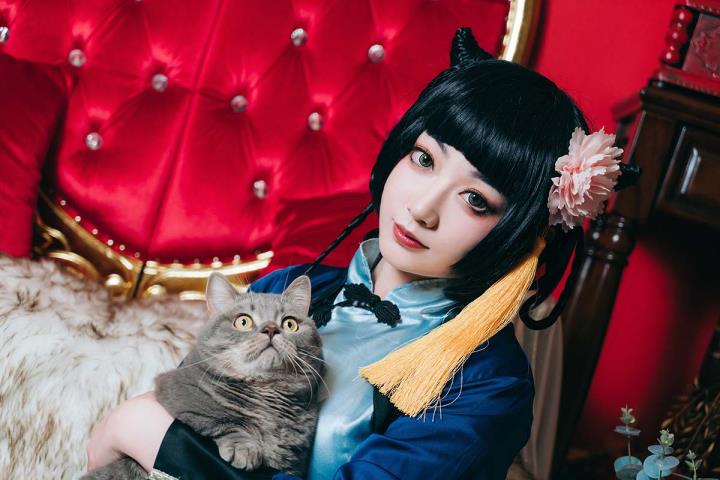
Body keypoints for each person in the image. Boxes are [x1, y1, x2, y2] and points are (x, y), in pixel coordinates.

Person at [86, 28, 637, 480]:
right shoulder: (288, 290)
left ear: (517, 233)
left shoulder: (485, 384)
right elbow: (188, 416)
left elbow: (162, 436)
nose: (422, 208)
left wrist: (143, 432)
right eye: (424, 159)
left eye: (475, 199)